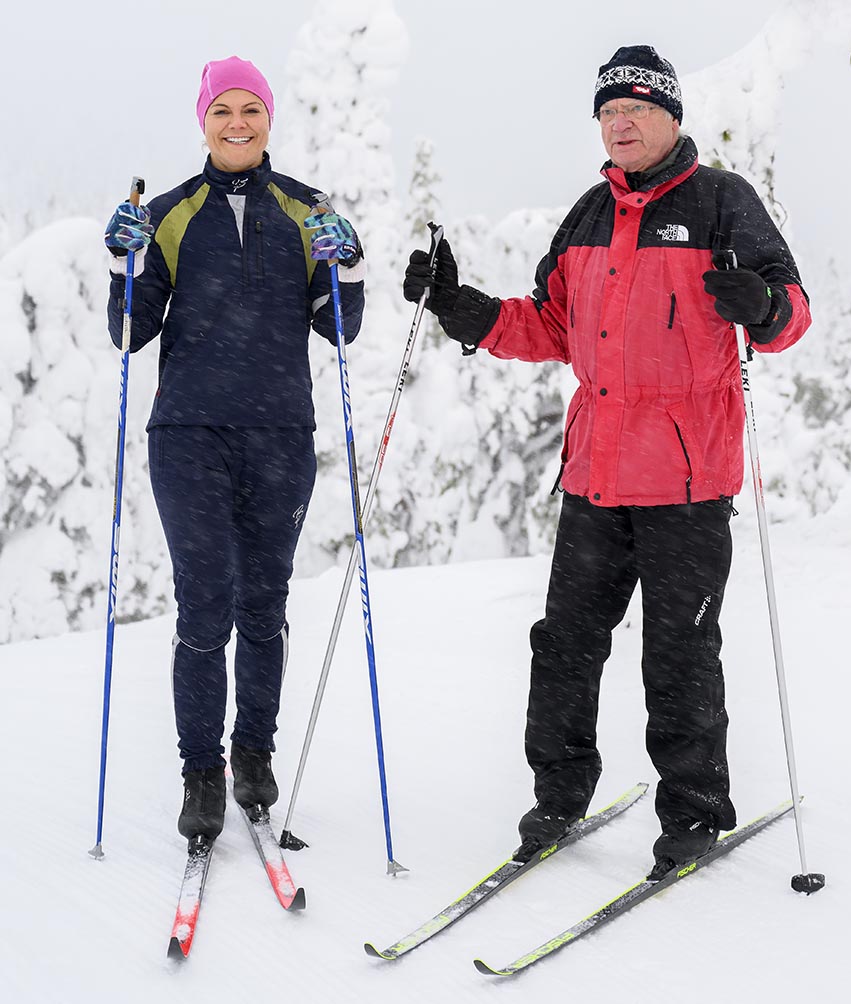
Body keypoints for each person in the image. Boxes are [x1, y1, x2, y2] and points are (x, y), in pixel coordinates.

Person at [403, 45, 811, 878]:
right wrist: (465, 308)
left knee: (679, 654)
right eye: (607, 112)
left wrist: (763, 305)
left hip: (689, 485)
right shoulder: (589, 215)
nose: (619, 123)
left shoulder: (723, 203)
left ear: (669, 117)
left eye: (636, 109)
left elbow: (792, 314)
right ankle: (558, 797)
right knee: (563, 644)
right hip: (595, 475)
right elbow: (550, 325)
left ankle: (694, 814)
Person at [104, 56, 365, 842]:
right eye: (224, 110)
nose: (238, 122)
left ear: (269, 118)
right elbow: (129, 330)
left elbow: (339, 326)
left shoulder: (304, 207)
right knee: (205, 602)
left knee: (264, 603)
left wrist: (347, 265)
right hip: (188, 435)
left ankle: (253, 753)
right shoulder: (173, 213)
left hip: (281, 432)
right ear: (204, 121)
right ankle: (201, 772)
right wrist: (125, 259)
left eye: (251, 108)